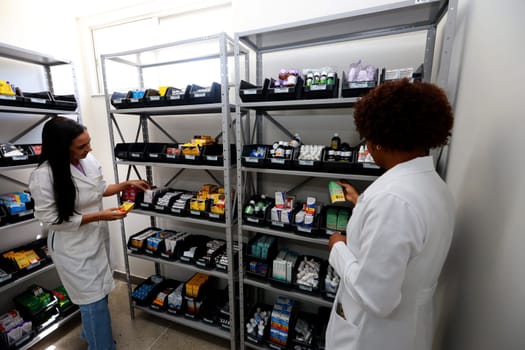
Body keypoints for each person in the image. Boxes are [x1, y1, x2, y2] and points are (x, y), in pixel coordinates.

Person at [326, 79, 455, 350]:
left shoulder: (392, 200)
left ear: (379, 141)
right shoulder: (433, 185)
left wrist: (338, 248)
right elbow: (401, 233)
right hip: (410, 327)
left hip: (373, 336)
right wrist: (362, 204)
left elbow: (376, 298)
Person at [29, 116, 150, 350]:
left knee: (101, 293)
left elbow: (100, 189)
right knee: (93, 302)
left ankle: (90, 334)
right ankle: (102, 346)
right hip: (72, 246)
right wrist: (100, 216)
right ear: (61, 147)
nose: (89, 149)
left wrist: (126, 184)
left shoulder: (88, 160)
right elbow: (52, 219)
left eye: (89, 143)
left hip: (96, 238)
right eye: (82, 146)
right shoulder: (43, 176)